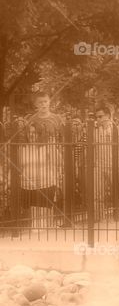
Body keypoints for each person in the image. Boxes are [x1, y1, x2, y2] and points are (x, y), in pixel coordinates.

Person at [18, 90, 69, 227]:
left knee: (57, 193)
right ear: (36, 104)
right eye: (40, 102)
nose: (44, 104)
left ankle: (57, 221)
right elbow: (27, 136)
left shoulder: (57, 118)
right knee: (36, 201)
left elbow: (64, 138)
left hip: (53, 154)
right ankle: (38, 225)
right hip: (36, 154)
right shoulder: (32, 119)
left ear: (49, 102)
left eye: (45, 101)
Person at [92, 103, 119, 221]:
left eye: (100, 116)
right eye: (97, 117)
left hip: (114, 164)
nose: (98, 119)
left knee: (118, 191)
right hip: (99, 165)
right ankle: (98, 216)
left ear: (107, 116)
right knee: (98, 192)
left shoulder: (118, 130)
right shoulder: (94, 131)